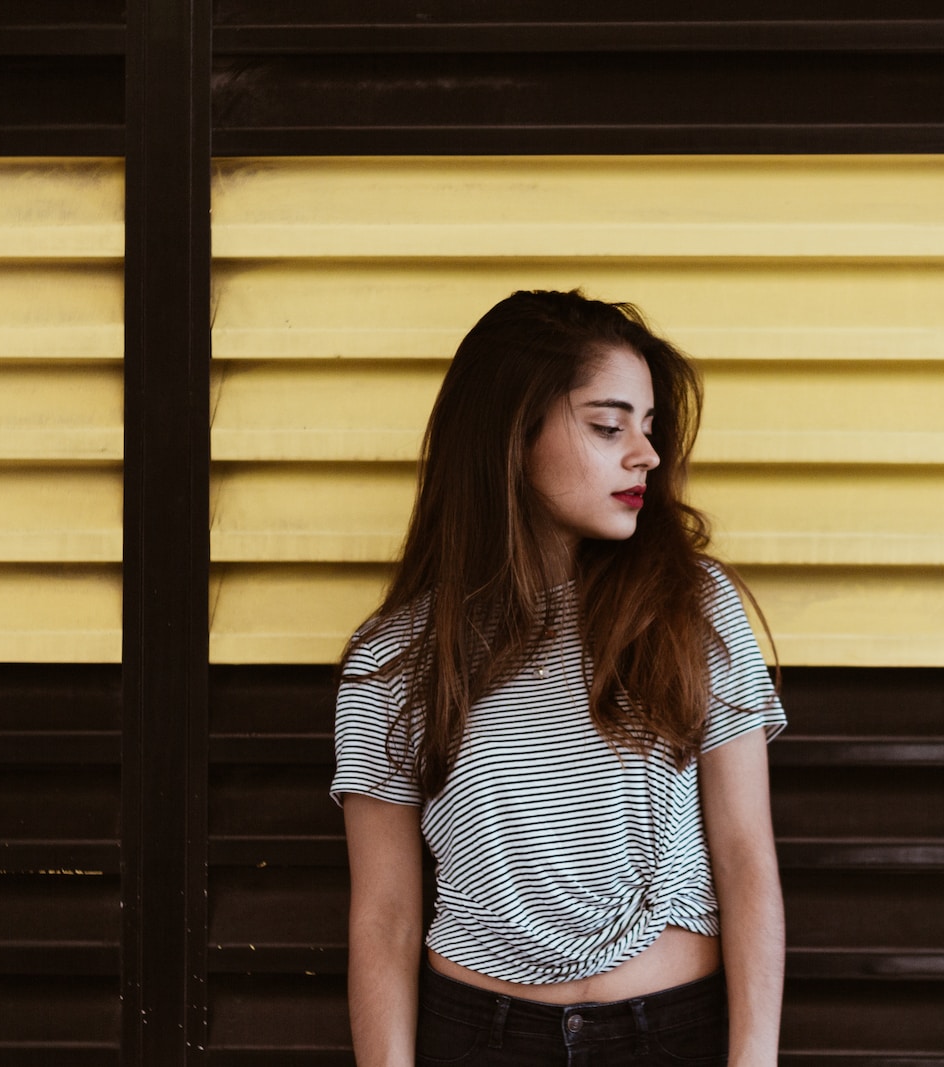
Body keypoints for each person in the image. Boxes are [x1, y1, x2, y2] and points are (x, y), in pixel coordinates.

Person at [331, 289, 786, 1066]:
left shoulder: (690, 605)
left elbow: (746, 858)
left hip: (670, 1033)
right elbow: (385, 915)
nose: (644, 454)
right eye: (609, 426)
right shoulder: (395, 655)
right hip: (479, 1037)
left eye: (649, 427)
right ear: (513, 434)